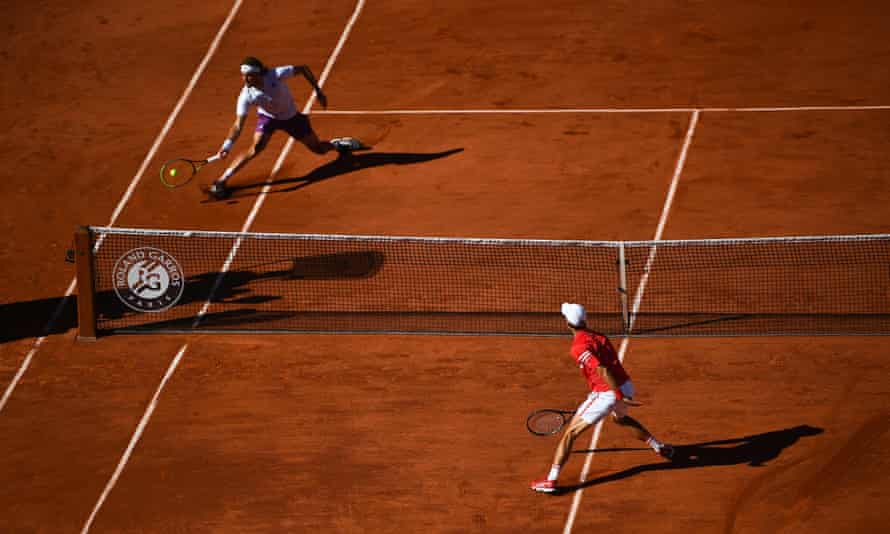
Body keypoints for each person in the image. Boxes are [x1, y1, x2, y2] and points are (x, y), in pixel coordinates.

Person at [530, 303, 674, 493]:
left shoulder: (578, 347)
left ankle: (551, 480)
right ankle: (659, 446)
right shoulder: (600, 337)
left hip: (608, 392)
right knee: (620, 419)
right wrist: (621, 395)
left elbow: (603, 369)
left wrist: (615, 396)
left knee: (570, 434)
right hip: (625, 384)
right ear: (584, 320)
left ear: (568, 323)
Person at [208, 56, 362, 200]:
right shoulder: (246, 95)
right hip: (268, 119)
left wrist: (318, 90)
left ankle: (337, 145)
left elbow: (303, 69)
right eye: (243, 75)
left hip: (292, 118)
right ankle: (222, 180)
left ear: (258, 74)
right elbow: (238, 124)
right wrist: (227, 146)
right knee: (256, 147)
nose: (245, 79)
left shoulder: (275, 74)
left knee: (319, 150)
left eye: (248, 75)